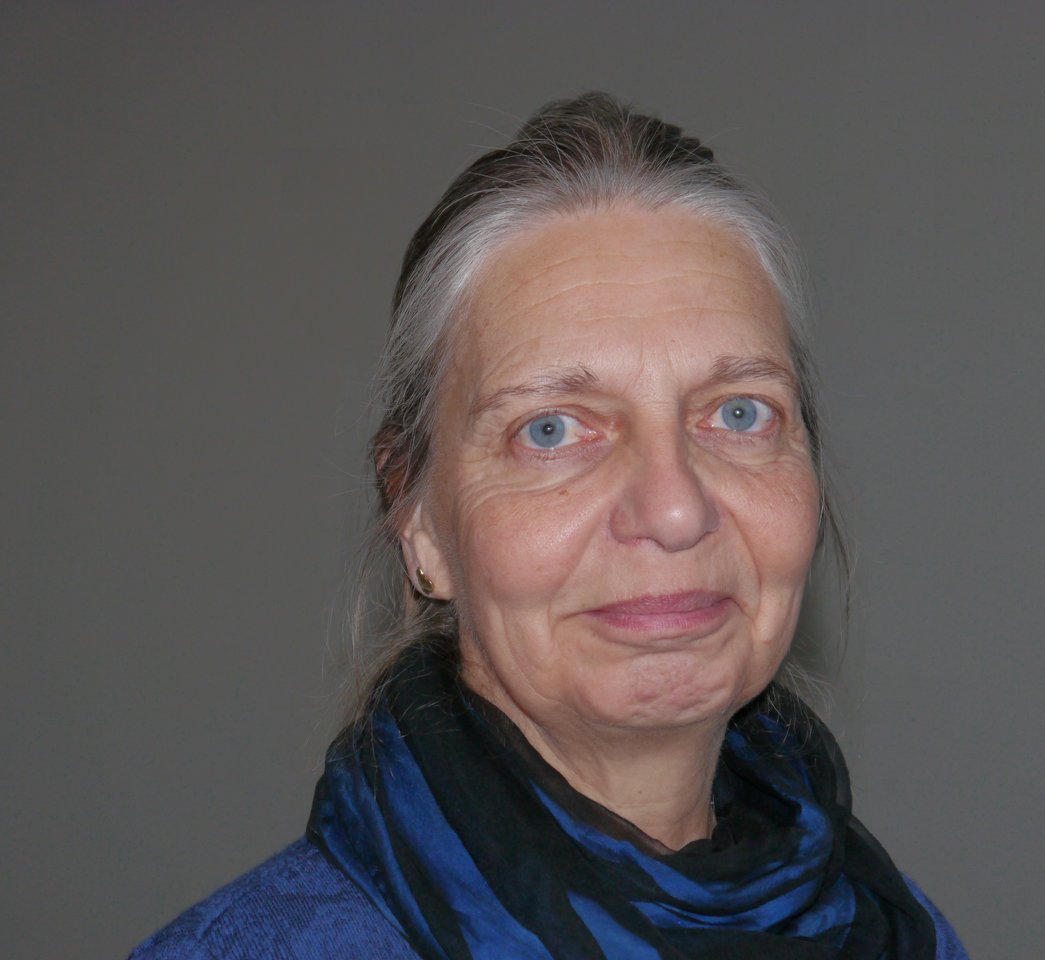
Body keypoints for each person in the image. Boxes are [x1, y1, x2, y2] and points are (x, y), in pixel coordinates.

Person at [131, 92, 969, 960]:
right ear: (418, 520)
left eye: (740, 413)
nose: (676, 509)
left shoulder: (904, 935)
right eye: (552, 430)